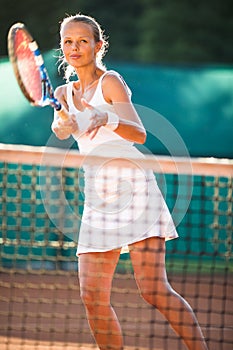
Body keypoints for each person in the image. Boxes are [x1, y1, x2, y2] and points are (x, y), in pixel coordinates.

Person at [51, 14, 208, 350]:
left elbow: (138, 132)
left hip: (135, 188)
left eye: (82, 40)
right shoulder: (63, 92)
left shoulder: (111, 81)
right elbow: (64, 127)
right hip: (98, 195)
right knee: (91, 296)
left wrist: (104, 115)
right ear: (61, 48)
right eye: (68, 41)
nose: (74, 47)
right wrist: (62, 125)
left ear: (98, 45)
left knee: (153, 290)